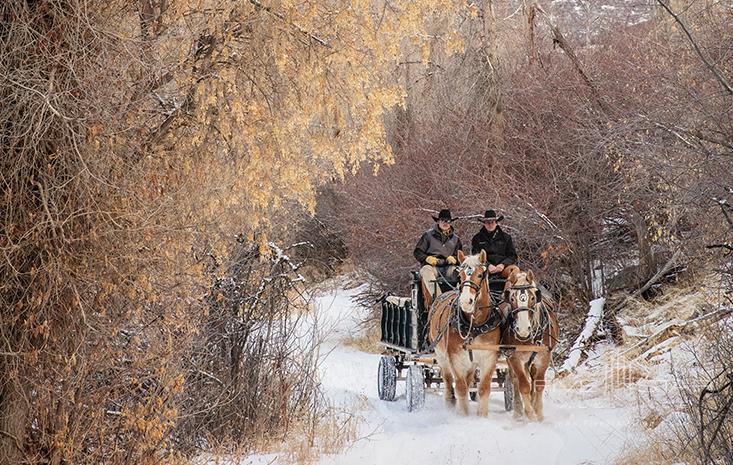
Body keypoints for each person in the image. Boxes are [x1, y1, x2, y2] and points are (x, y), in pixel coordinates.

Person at [413, 209, 463, 305]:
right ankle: (438, 301)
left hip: (449, 266)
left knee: (461, 272)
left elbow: (461, 257)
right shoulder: (428, 236)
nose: (445, 223)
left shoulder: (456, 239)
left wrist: (455, 259)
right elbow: (417, 252)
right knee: (425, 271)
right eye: (443, 221)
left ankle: (457, 299)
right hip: (432, 267)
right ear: (438, 221)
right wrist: (427, 258)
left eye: (448, 221)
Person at [471, 209, 519, 280]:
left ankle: (508, 290)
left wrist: (503, 264)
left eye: (492, 222)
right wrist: (488, 265)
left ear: (496, 223)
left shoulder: (506, 237)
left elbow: (512, 256)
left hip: (503, 268)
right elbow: (476, 256)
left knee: (515, 270)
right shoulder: (477, 238)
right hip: (484, 268)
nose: (490, 224)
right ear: (484, 223)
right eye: (487, 222)